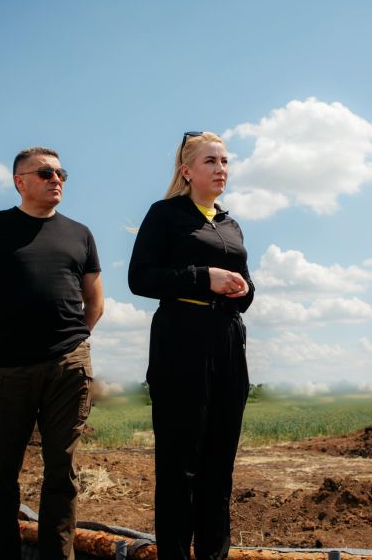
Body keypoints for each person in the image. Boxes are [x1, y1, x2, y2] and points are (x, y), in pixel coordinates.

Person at [0, 147, 104, 560]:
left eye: (61, 173)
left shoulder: (80, 234)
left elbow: (95, 303)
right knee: (1, 476)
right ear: (19, 181)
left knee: (62, 473)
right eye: (45, 172)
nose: (56, 179)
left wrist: (72, 345)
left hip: (68, 368)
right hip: (7, 369)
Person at [129, 131, 254, 560]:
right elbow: (140, 278)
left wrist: (244, 289)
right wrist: (204, 278)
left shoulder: (231, 224)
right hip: (181, 340)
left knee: (219, 464)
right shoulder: (165, 215)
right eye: (211, 162)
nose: (221, 169)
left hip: (228, 339)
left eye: (225, 161)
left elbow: (246, 284)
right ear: (187, 171)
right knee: (180, 464)